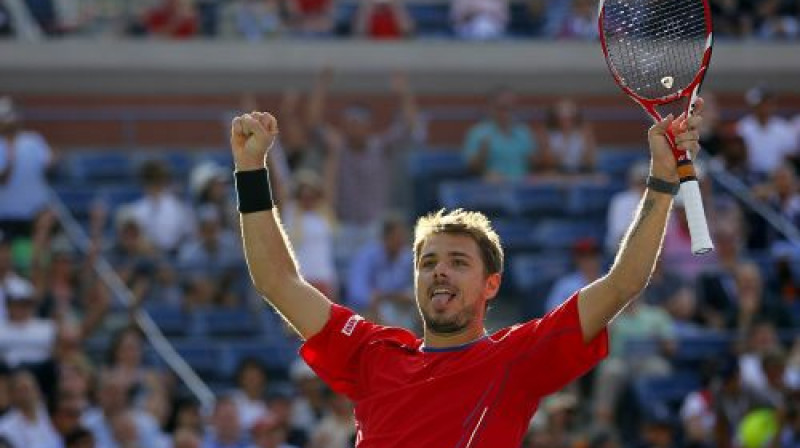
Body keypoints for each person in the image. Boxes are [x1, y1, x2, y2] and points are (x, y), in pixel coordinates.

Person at [227, 97, 706, 446]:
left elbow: (624, 282)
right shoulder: (372, 353)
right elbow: (278, 282)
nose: (440, 273)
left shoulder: (516, 359)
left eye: (459, 263)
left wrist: (662, 179)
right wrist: (251, 171)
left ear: (490, 283)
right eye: (429, 262)